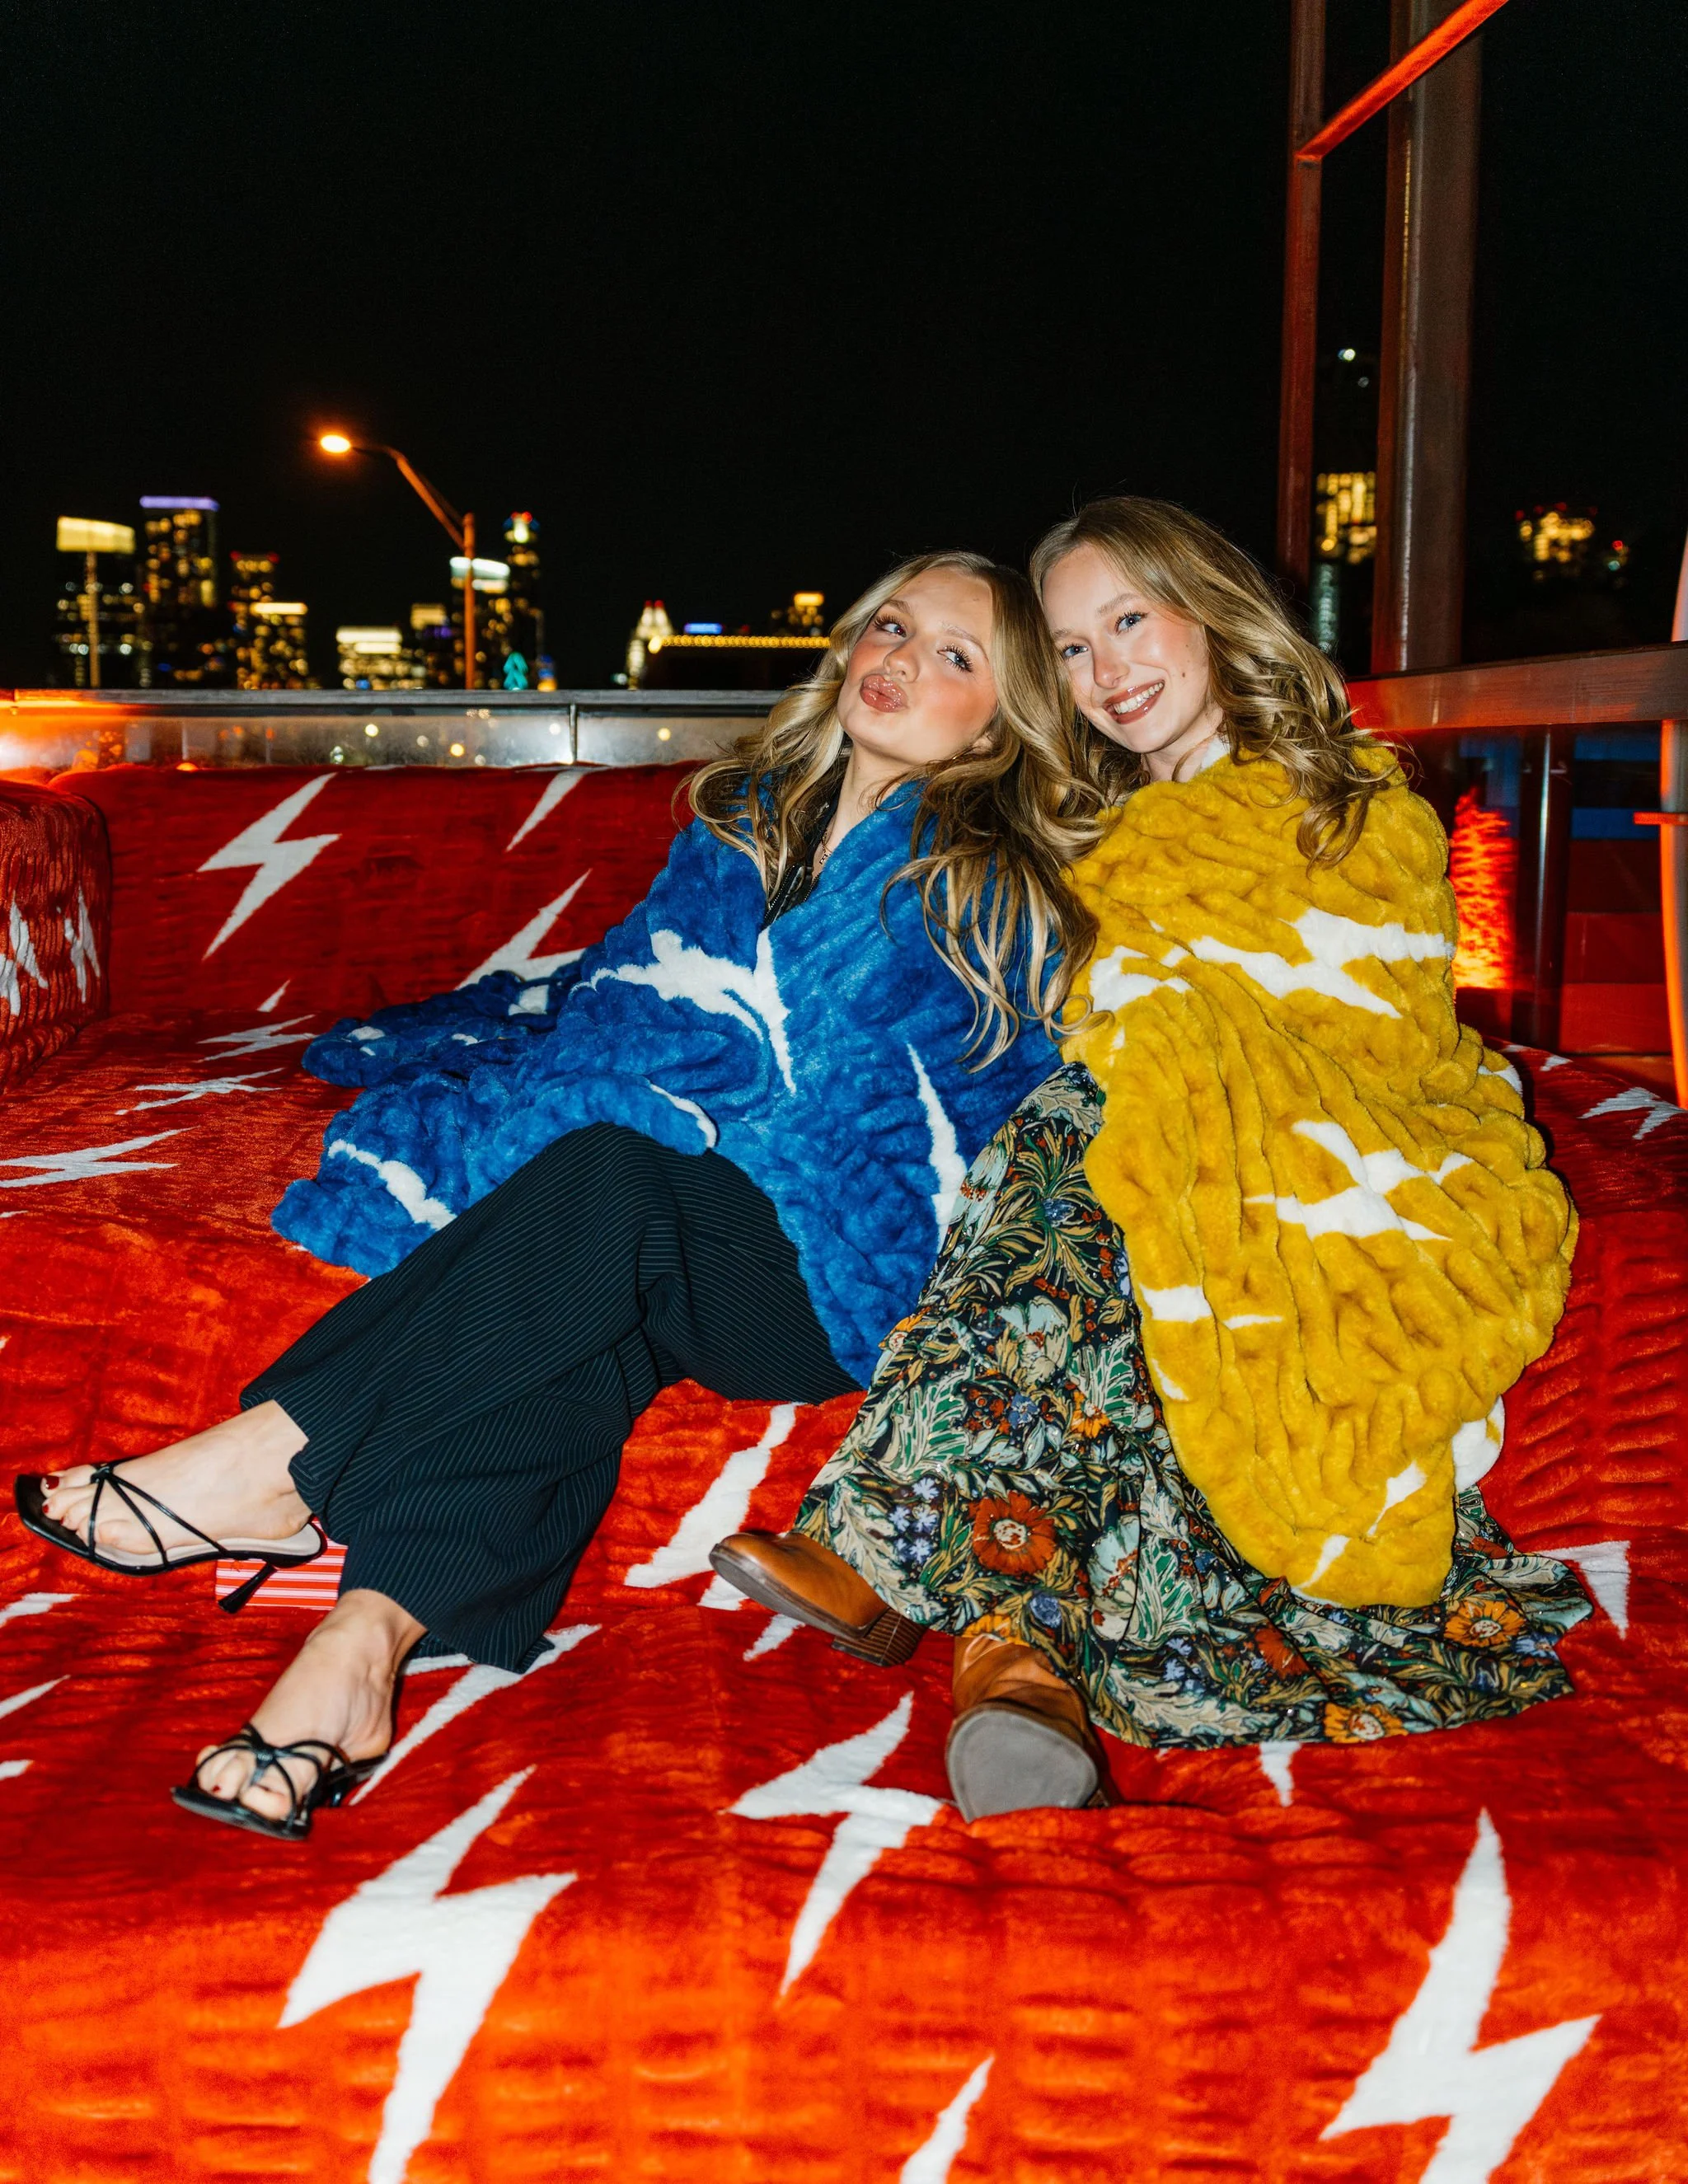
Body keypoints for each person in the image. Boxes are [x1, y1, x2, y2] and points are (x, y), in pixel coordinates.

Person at [17, 551, 1107, 1841]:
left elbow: (962, 1125)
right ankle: (359, 1654)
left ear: (1006, 715)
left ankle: (277, 1457)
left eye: (955, 655)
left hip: (828, 1275)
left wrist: (726, 1084)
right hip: (675, 1231)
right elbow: (633, 997)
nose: (900, 658)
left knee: (610, 1173)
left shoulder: (997, 890)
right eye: (889, 623)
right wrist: (675, 1071)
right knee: (578, 1316)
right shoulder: (748, 815)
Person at [712, 499, 1589, 1820]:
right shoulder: (1094, 832)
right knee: (1098, 1160)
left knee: (1094, 1134)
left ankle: (906, 1563)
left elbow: (1365, 1033)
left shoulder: (1355, 808)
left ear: (1210, 610)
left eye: (1128, 620)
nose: (1105, 669)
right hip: (1145, 1195)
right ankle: (1017, 1663)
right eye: (1067, 649)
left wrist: (1163, 1064)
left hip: (1341, 1177)